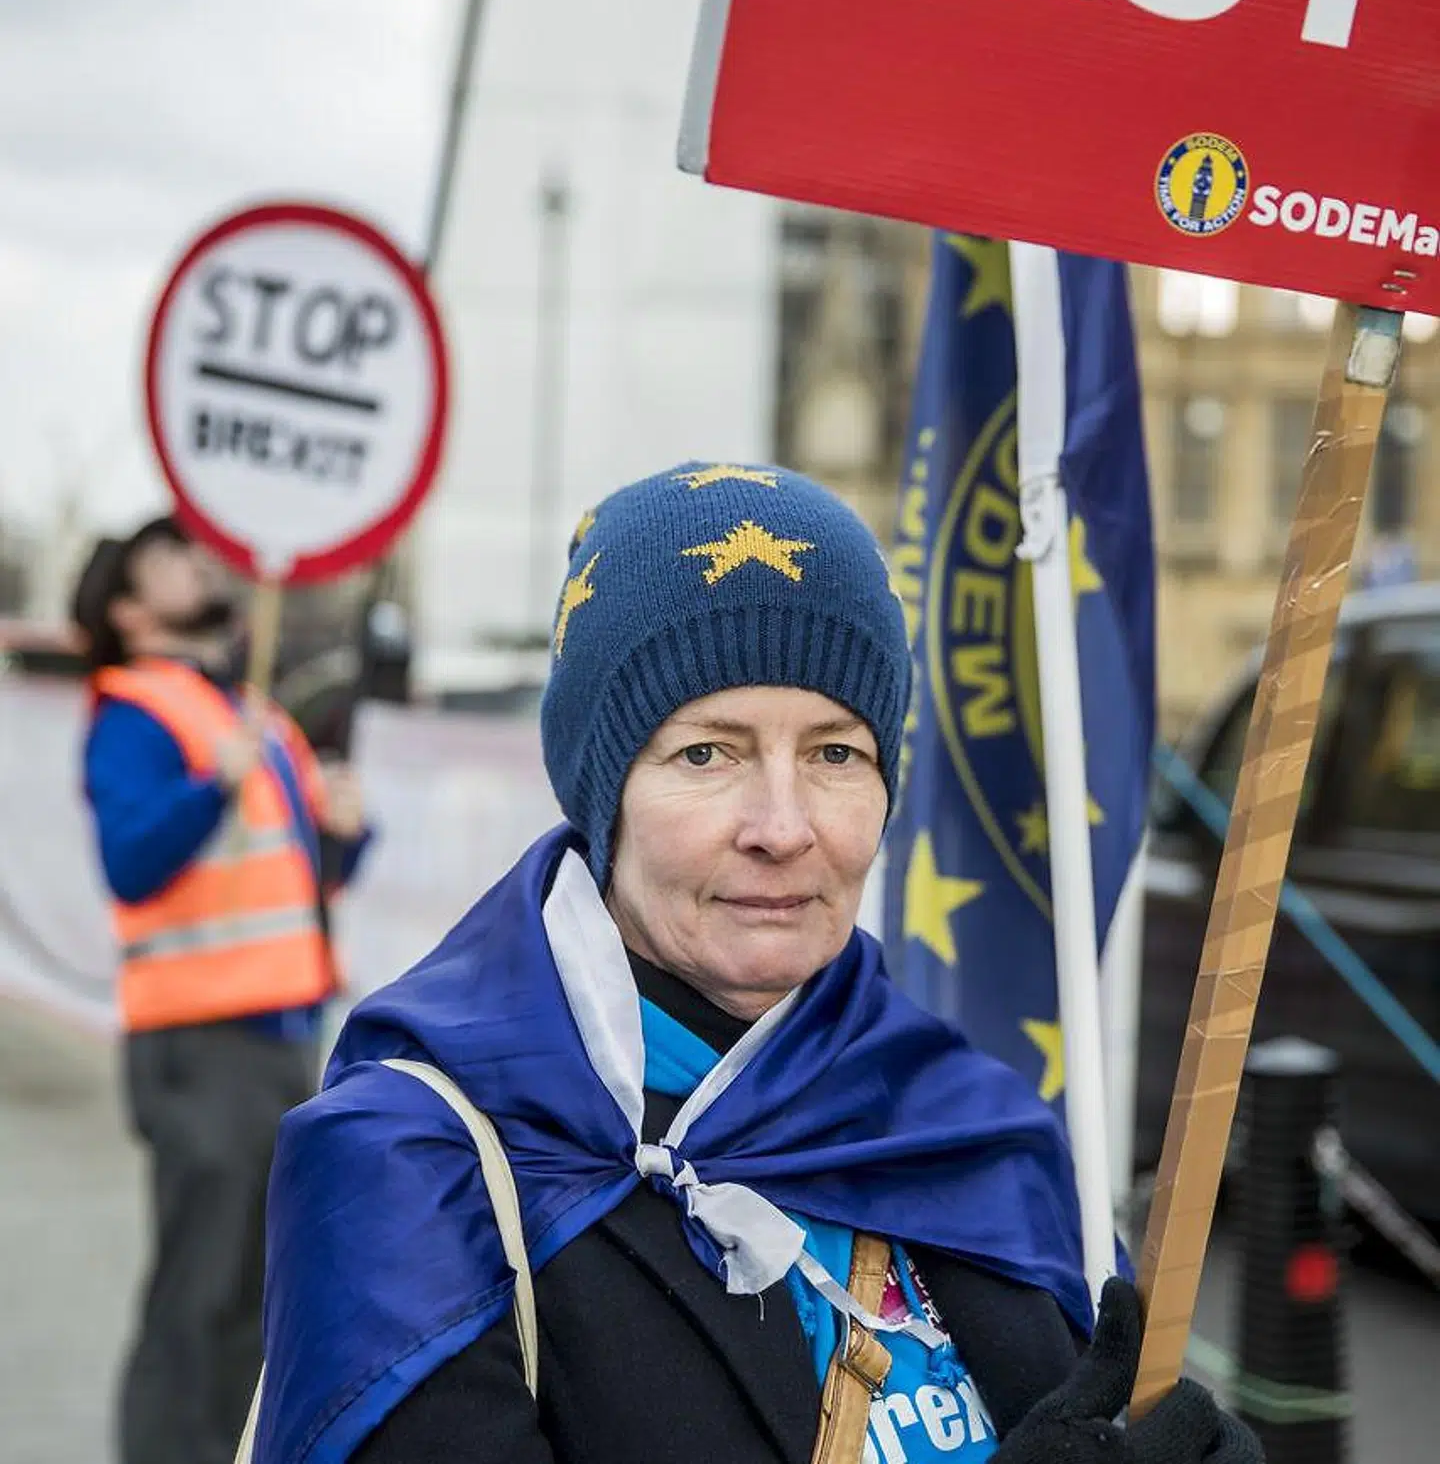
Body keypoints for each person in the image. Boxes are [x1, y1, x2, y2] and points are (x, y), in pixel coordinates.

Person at [253, 465, 1259, 1464]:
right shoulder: (410, 1169)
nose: (783, 828)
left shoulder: (972, 1127)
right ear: (603, 795)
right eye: (707, 754)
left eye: (835, 754)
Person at [69, 514, 372, 1464]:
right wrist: (213, 784)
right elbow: (131, 860)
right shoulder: (136, 710)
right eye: (169, 558)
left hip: (278, 1035)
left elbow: (301, 874)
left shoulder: (250, 712)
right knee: (198, 1303)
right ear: (125, 610)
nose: (199, 559)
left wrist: (351, 832)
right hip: (203, 1045)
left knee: (256, 1296)